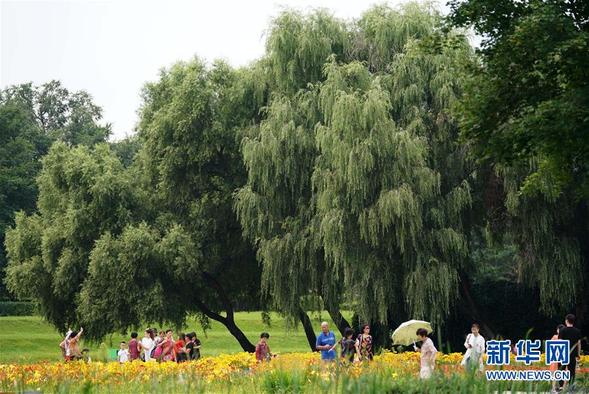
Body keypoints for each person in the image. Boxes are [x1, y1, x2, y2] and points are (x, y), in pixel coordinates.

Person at [558, 314, 582, 391]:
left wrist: (558, 353)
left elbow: (560, 343)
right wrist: (578, 354)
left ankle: (561, 387)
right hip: (573, 354)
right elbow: (578, 344)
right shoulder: (577, 331)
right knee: (572, 371)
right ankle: (571, 387)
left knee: (561, 370)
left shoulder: (562, 330)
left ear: (566, 321)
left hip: (563, 354)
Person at [550, 324, 564, 393]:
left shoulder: (555, 337)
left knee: (554, 374)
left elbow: (550, 346)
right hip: (562, 358)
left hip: (555, 357)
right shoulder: (565, 338)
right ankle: (562, 388)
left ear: (557, 330)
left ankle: (553, 388)